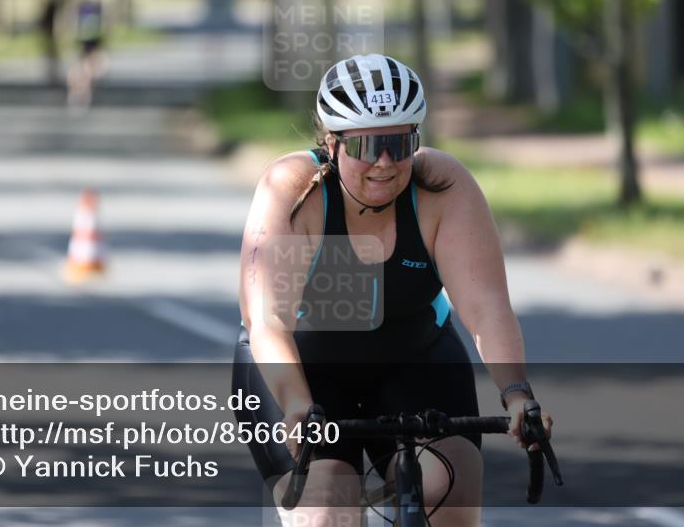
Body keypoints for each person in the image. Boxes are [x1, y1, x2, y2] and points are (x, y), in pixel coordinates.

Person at [231, 54, 553, 526]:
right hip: (304, 370)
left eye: (399, 143)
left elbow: (485, 307)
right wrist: (298, 405)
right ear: (333, 142)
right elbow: (269, 319)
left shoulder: (442, 187)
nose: (384, 162)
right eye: (368, 145)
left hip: (414, 358)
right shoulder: (293, 190)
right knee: (327, 509)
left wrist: (517, 394)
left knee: (452, 491)